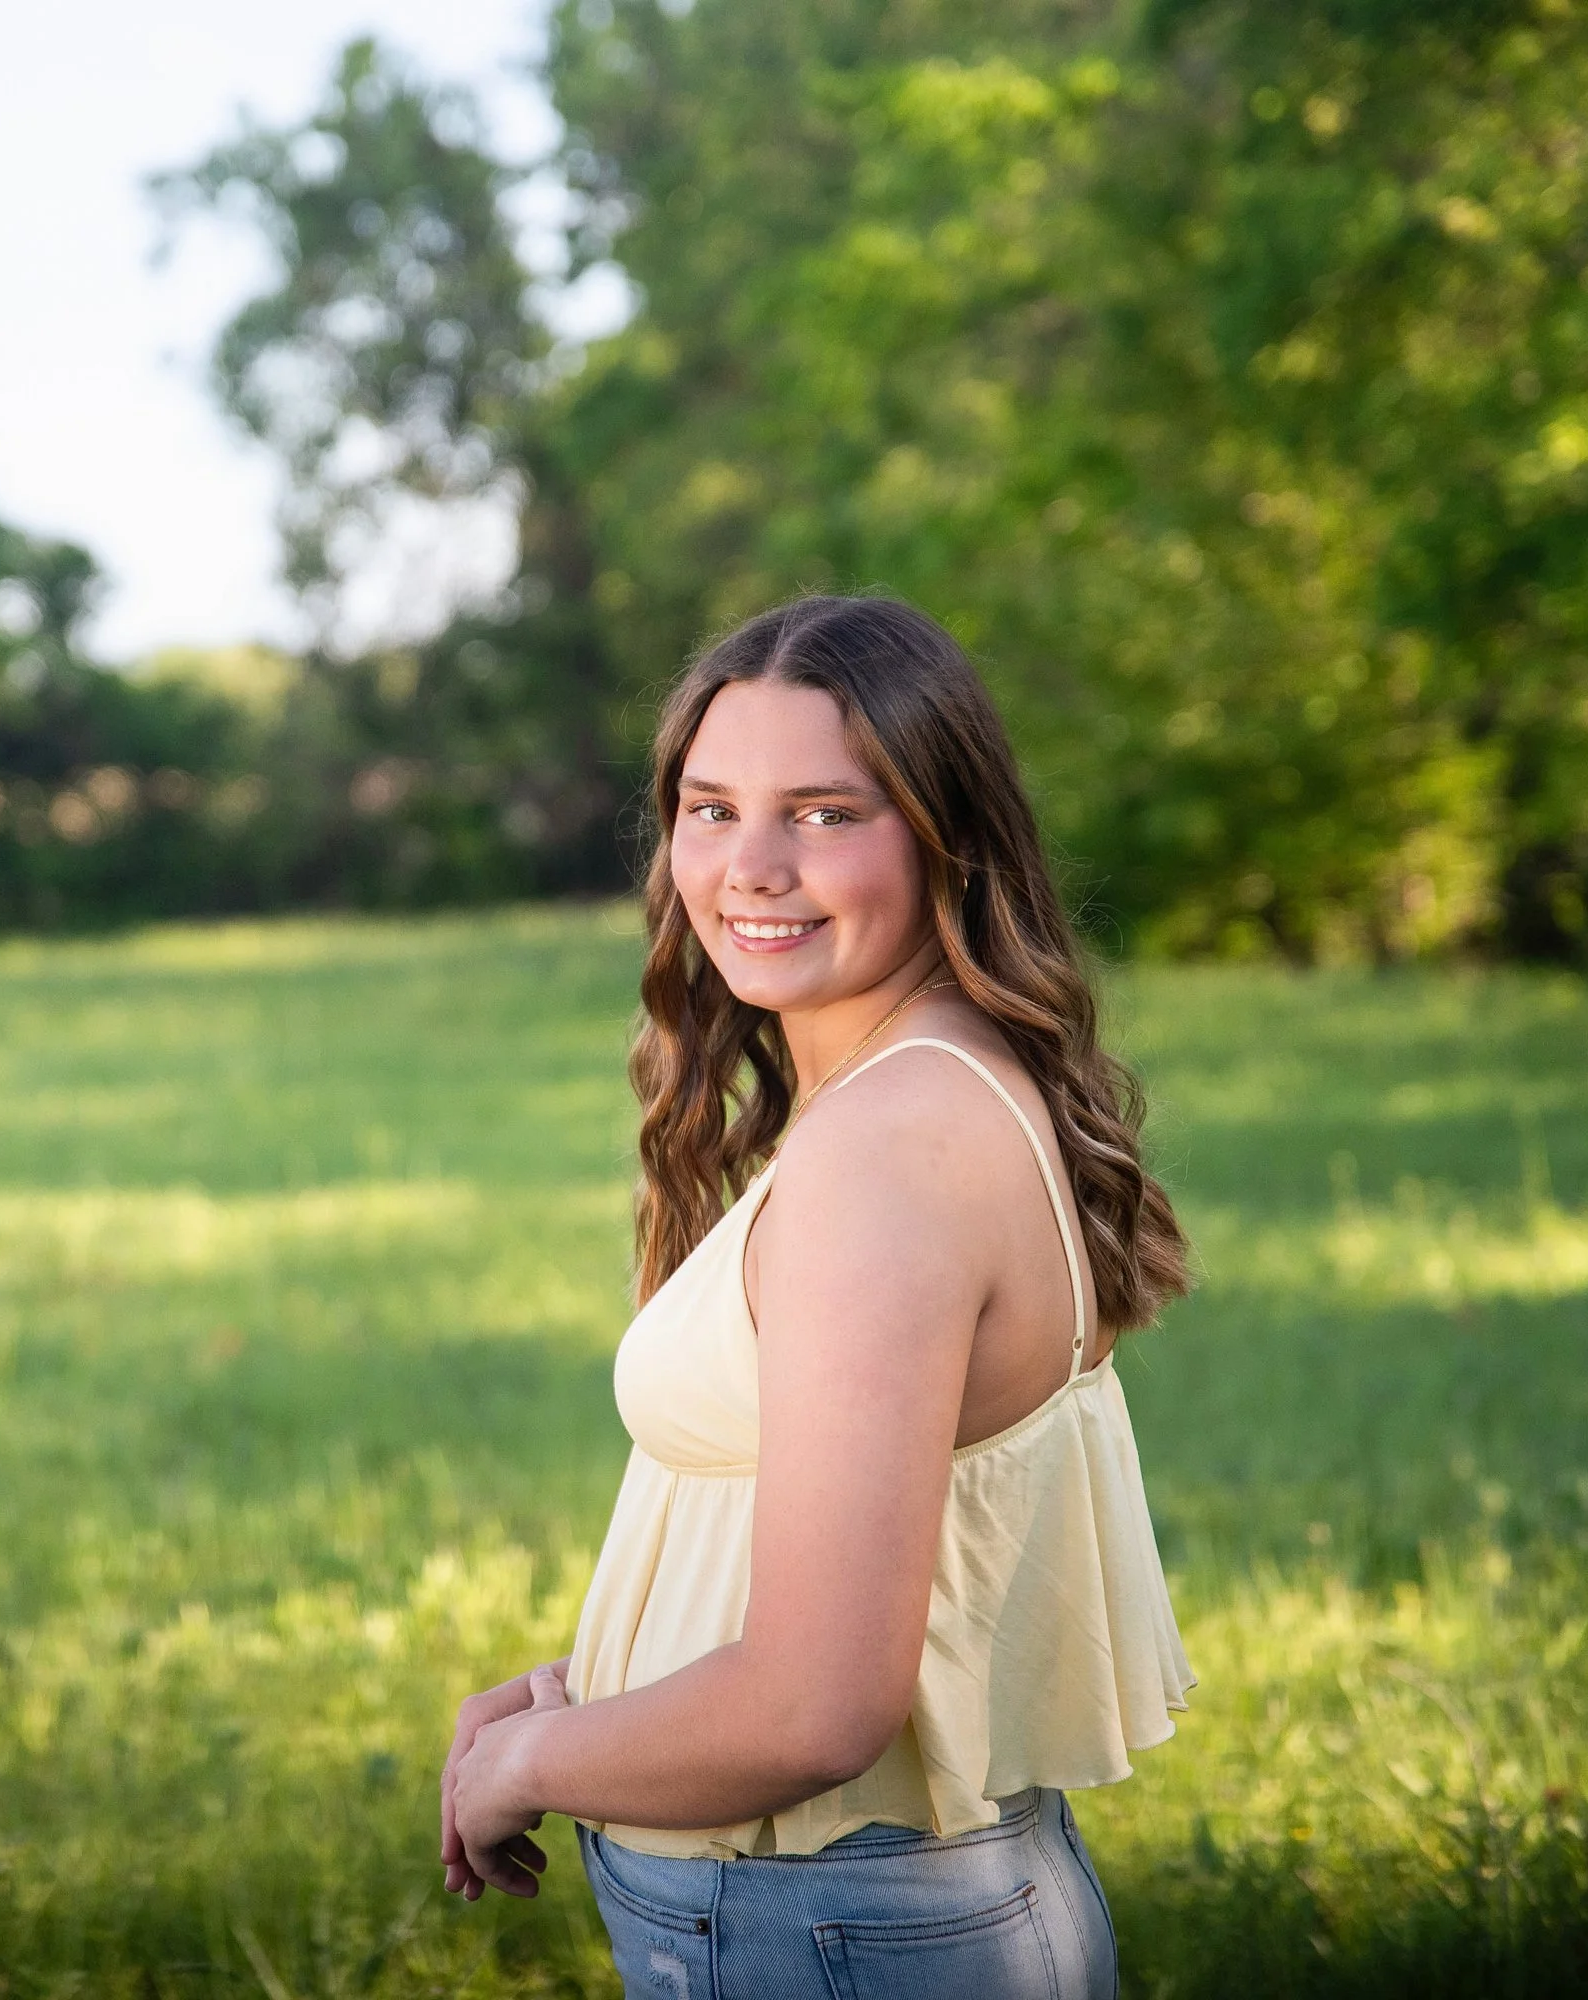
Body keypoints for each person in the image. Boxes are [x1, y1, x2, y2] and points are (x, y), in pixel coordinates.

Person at [440, 596, 1196, 1997]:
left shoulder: (886, 1154)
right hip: (875, 1917)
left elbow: (814, 1705)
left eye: (827, 814)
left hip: (825, 1932)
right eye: (712, 808)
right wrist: (597, 1696)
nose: (752, 868)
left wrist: (529, 1763)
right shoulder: (933, 1088)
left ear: (947, 836)